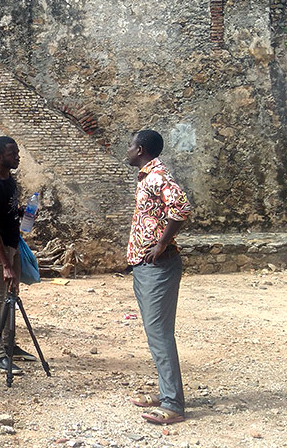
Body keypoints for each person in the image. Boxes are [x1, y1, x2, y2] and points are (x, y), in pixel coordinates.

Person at [124, 130, 191, 425]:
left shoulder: (157, 176)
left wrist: (162, 242)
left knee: (160, 334)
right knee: (156, 334)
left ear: (139, 149)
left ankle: (173, 404)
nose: (126, 150)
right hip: (145, 265)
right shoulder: (147, 176)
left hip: (159, 266)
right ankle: (167, 392)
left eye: (129, 146)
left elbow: (182, 207)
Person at [0, 136, 33, 376]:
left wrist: (21, 212)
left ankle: (10, 346)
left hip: (12, 245)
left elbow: (7, 213)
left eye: (17, 152)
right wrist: (4, 263)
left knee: (13, 294)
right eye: (12, 153)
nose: (17, 157)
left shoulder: (9, 181)